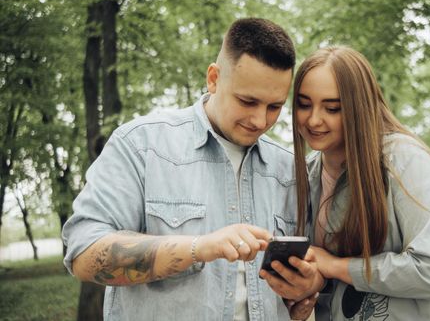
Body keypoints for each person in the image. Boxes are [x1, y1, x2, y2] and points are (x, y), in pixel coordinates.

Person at [62, 18, 322, 321]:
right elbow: (84, 255)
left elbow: (311, 274)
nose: (260, 121)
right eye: (247, 101)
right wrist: (199, 247)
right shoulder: (142, 146)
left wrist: (305, 287)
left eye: (274, 107)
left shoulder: (290, 170)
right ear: (213, 78)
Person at [289, 46, 430, 320]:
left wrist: (334, 266)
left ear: (359, 107)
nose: (314, 119)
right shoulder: (307, 175)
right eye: (304, 104)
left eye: (332, 108)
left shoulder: (405, 160)